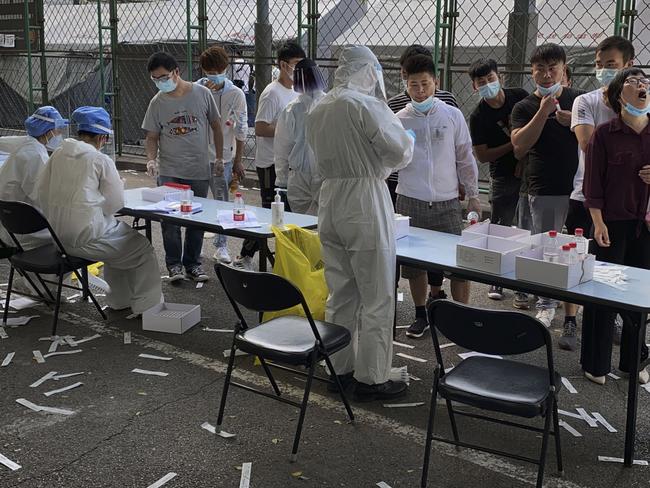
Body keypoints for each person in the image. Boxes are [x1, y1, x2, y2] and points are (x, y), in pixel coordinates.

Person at [306, 45, 414, 401]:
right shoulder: (365, 105)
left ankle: (339, 368)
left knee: (341, 290)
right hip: (365, 198)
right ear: (368, 72)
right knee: (377, 293)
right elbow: (399, 150)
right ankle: (373, 377)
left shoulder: (319, 106)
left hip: (331, 198)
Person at [36, 106, 163, 316]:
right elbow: (115, 204)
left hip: (58, 238)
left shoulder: (58, 154)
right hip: (87, 238)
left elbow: (41, 191)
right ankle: (147, 307)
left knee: (122, 242)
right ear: (103, 137)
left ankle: (119, 301)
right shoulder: (99, 160)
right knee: (141, 249)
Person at [396, 54, 479, 339]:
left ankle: (462, 317)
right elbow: (391, 162)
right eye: (414, 85)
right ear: (405, 84)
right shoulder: (399, 119)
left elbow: (465, 157)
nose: (420, 91)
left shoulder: (451, 115)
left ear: (436, 82)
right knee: (414, 266)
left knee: (458, 265)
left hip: (446, 202)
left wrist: (473, 195)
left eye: (425, 84)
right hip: (410, 199)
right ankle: (421, 314)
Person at [561, 36, 635, 351]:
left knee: (623, 272)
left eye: (611, 65)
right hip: (586, 199)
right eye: (599, 65)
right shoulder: (587, 102)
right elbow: (589, 148)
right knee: (583, 267)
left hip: (629, 204)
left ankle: (615, 322)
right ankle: (571, 322)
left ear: (629, 65)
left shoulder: (640, 103)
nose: (603, 70)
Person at [582, 68, 650, 385]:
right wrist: (597, 222)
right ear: (617, 95)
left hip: (645, 225)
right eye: (633, 82)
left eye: (645, 82)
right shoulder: (605, 134)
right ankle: (596, 364)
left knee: (639, 295)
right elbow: (592, 185)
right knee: (603, 294)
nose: (641, 86)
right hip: (610, 223)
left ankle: (632, 362)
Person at [511, 43, 585, 328]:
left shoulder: (579, 100)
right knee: (545, 248)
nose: (546, 75)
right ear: (532, 73)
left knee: (579, 250)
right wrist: (542, 112)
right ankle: (546, 303)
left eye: (552, 68)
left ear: (563, 70)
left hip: (580, 188)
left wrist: (575, 123)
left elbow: (597, 139)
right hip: (544, 188)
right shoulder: (525, 106)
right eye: (539, 69)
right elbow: (518, 147)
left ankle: (579, 312)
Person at [142, 52, 223, 283]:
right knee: (170, 221)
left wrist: (218, 158)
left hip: (198, 168)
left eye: (164, 77)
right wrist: (151, 159)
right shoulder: (157, 102)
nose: (160, 82)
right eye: (155, 79)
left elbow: (216, 126)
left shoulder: (202, 93)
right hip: (170, 170)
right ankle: (174, 265)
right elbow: (152, 136)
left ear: (177, 72)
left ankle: (193, 264)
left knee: (196, 219)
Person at [235, 41, 305, 270]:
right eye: (296, 65)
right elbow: (260, 128)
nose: (299, 69)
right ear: (283, 65)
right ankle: (245, 255)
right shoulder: (272, 93)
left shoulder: (298, 91)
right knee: (270, 213)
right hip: (270, 164)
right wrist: (288, 129)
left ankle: (287, 262)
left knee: (289, 213)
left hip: (290, 162)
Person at [468, 58, 528, 306]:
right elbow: (482, 154)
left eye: (490, 79)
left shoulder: (520, 96)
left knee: (527, 227)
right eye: (481, 82)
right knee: (501, 226)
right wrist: (513, 145)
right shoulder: (478, 116)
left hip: (528, 170)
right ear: (475, 87)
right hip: (502, 174)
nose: (487, 85)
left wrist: (523, 157)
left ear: (500, 77)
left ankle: (524, 285)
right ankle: (498, 278)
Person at [386, 44, 459, 207]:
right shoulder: (394, 105)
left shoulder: (447, 103)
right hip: (401, 184)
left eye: (425, 83)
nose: (420, 90)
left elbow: (458, 145)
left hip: (442, 186)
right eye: (405, 74)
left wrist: (460, 179)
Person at [197, 46, 248, 264]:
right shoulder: (196, 90)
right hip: (198, 156)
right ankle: (194, 246)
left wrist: (238, 161)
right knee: (196, 204)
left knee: (221, 202)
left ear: (226, 69)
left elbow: (241, 127)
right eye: (209, 71)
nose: (214, 75)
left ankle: (222, 245)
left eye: (218, 70)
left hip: (224, 157)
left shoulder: (235, 94)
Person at [0, 106, 68, 250]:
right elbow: (45, 198)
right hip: (27, 234)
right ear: (48, 131)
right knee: (77, 232)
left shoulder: (27, 146)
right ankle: (65, 271)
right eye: (57, 130)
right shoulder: (36, 156)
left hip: (10, 229)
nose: (59, 134)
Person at [274, 58, 326, 215]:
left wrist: (282, 179)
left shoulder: (292, 109)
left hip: (308, 175)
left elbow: (282, 147)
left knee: (305, 225)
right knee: (318, 225)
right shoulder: (329, 104)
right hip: (313, 174)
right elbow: (282, 146)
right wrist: (282, 180)